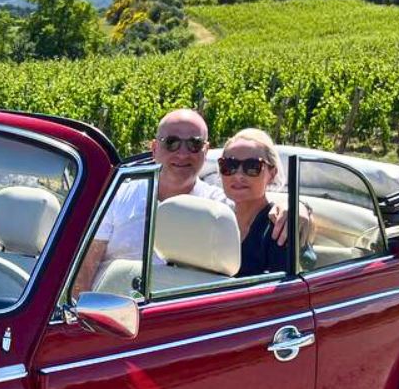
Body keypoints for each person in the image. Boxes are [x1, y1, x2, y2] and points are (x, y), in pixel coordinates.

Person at [74, 109, 295, 293]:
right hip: (109, 315)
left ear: (205, 151)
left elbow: (256, 206)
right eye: (171, 143)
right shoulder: (116, 195)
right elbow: (84, 269)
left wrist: (297, 209)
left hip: (178, 319)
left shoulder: (217, 208)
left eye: (194, 144)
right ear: (154, 149)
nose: (182, 153)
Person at [218, 127, 290, 276]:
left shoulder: (279, 228)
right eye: (229, 166)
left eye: (252, 167)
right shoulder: (213, 222)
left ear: (272, 174)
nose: (238, 175)